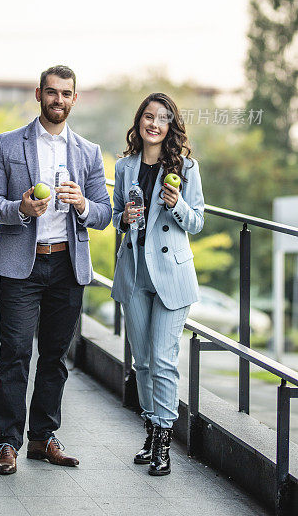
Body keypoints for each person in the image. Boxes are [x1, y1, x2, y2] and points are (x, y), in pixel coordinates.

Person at [0, 65, 112, 475]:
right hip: (23, 263)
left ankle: (43, 437)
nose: (59, 100)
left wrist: (83, 205)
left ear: (75, 98)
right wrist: (19, 208)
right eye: (52, 92)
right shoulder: (6, 144)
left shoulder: (88, 153)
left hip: (67, 265)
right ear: (39, 94)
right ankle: (7, 442)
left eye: (66, 93)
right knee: (16, 354)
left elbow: (105, 215)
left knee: (55, 356)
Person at [111, 93, 204, 476]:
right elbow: (116, 213)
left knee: (164, 360)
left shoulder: (186, 167)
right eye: (148, 116)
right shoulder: (124, 166)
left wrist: (177, 203)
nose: (154, 124)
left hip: (171, 275)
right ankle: (151, 429)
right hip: (134, 273)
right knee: (142, 362)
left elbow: (197, 221)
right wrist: (124, 216)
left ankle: (164, 441)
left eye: (162, 119)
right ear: (140, 122)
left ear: (170, 126)